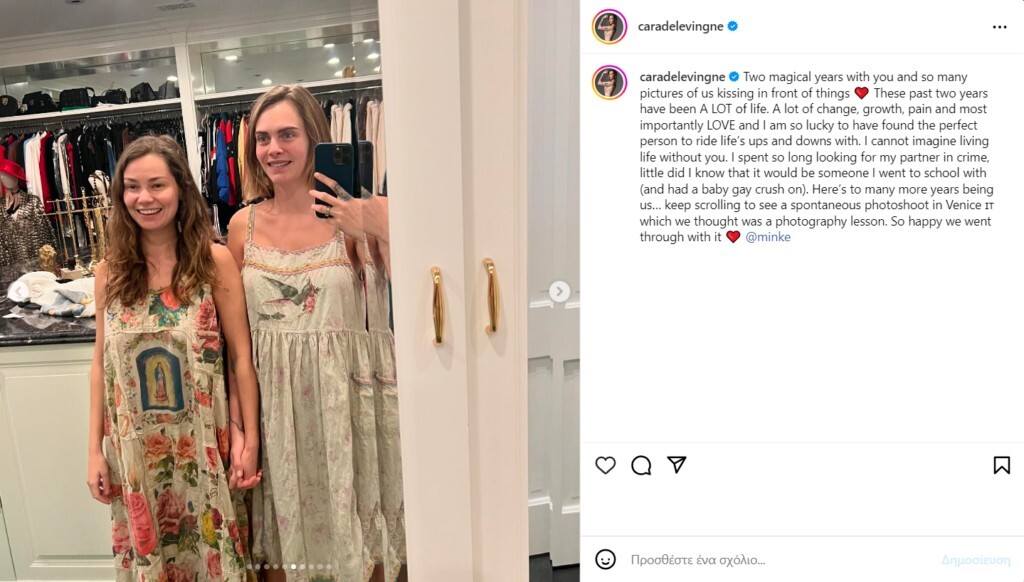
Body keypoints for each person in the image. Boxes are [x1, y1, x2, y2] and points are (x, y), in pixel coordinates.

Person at [228, 84, 403, 582]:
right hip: (274, 405)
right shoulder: (242, 225)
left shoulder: (361, 212)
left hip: (346, 399)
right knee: (287, 542)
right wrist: (240, 425)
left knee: (357, 535)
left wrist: (374, 225)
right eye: (263, 138)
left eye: (288, 134)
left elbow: (413, 289)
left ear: (314, 138)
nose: (273, 149)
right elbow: (236, 339)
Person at [86, 135, 262, 582]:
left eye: (157, 185)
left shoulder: (213, 262)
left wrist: (249, 440)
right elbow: (100, 366)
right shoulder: (109, 273)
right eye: (132, 187)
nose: (144, 198)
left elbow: (241, 360)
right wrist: (94, 452)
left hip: (203, 449)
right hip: (136, 453)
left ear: (181, 189)